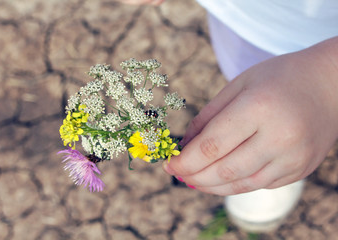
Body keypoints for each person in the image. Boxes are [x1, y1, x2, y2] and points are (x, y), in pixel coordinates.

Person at [119, 0, 338, 232]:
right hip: (240, 18)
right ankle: (265, 149)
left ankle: (283, 143)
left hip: (325, 30)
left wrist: (328, 78)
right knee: (247, 76)